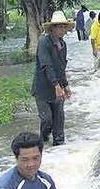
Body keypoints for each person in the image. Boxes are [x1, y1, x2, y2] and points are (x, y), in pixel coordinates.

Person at [31, 11, 73, 146]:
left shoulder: (63, 44)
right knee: (47, 120)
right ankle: (42, 141)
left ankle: (60, 148)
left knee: (59, 119)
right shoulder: (44, 42)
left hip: (58, 86)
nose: (62, 30)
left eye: (64, 27)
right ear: (52, 28)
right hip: (43, 88)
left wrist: (65, 85)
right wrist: (56, 85)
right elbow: (46, 65)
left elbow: (61, 67)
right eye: (59, 27)